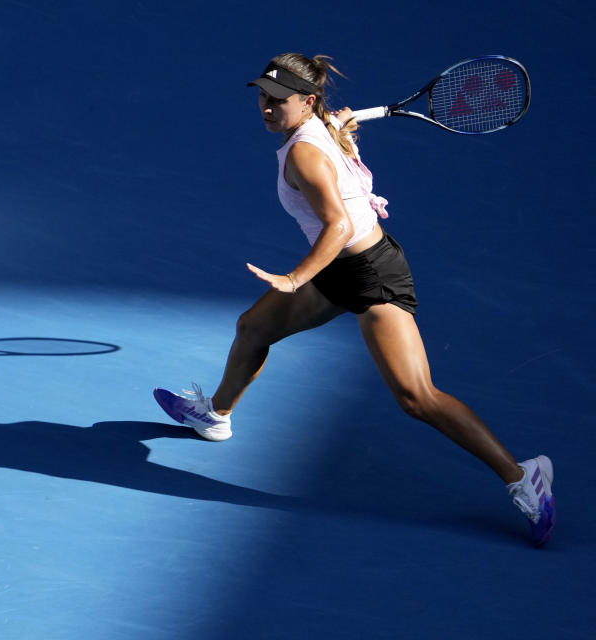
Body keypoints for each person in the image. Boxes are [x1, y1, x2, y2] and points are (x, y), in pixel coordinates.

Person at [153, 53, 555, 546]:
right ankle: (216, 415)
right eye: (263, 96)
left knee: (417, 397)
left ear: (308, 101)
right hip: (340, 268)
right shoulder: (320, 125)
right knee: (254, 328)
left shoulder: (304, 152)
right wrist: (335, 124)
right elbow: (331, 142)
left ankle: (522, 475)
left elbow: (338, 225)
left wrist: (295, 278)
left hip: (371, 274)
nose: (267, 107)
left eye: (280, 100)